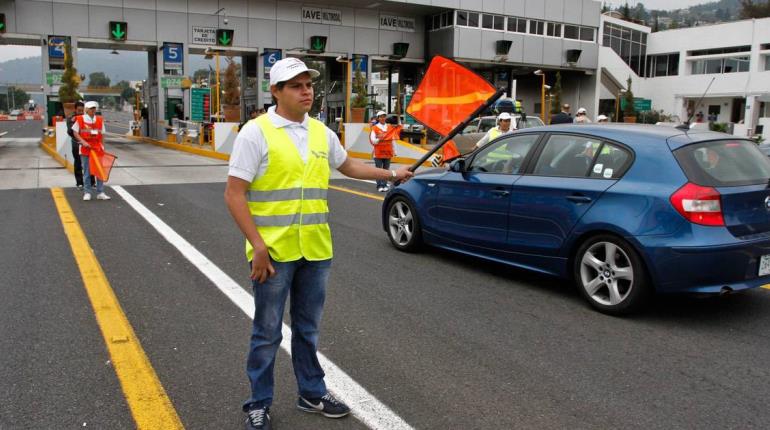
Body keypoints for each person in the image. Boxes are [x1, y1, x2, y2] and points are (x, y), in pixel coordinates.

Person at [223, 57, 413, 430]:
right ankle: (257, 403)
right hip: (273, 253)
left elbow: (349, 167)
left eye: (309, 84)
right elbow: (234, 194)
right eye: (295, 85)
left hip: (316, 249)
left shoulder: (320, 132)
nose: (306, 90)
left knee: (308, 329)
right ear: (276, 92)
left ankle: (311, 392)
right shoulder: (255, 133)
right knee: (266, 332)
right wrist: (257, 247)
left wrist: (392, 173)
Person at [72, 101, 110, 201]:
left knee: (99, 171)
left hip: (97, 149)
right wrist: (83, 141)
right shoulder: (80, 119)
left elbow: (102, 134)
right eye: (91, 108)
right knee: (87, 172)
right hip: (86, 149)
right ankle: (87, 192)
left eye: (94, 108)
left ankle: (100, 192)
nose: (93, 110)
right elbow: (75, 132)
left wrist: (103, 147)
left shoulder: (99, 120)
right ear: (86, 110)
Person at [369, 110, 399, 192]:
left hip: (388, 152)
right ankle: (379, 185)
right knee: (379, 170)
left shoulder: (389, 127)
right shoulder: (374, 128)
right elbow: (372, 139)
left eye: (384, 116)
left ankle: (385, 184)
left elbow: (393, 139)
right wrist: (379, 139)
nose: (383, 118)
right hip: (378, 152)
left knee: (386, 170)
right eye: (381, 117)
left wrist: (395, 151)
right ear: (378, 118)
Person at [66, 101, 92, 190]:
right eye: (79, 110)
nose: (80, 112)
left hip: (87, 143)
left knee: (89, 162)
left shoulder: (87, 118)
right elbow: (69, 132)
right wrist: (75, 122)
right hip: (76, 143)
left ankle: (92, 182)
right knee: (78, 162)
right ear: (75, 109)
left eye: (82, 111)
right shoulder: (70, 118)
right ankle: (79, 183)